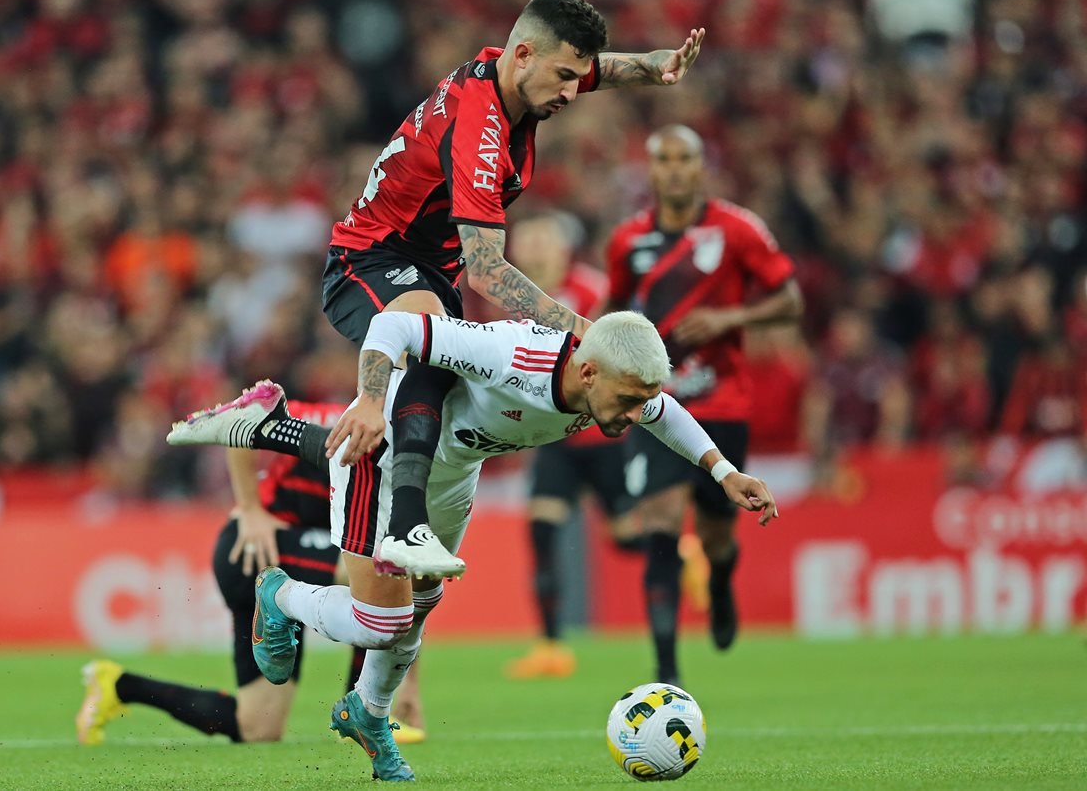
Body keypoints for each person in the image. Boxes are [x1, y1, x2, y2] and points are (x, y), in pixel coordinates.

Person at [167, 310, 778, 781]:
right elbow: (393, 324)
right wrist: (375, 399)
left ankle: (368, 714)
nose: (633, 414)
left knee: (420, 607)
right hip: (385, 463)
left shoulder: (616, 387)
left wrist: (725, 474)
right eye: (626, 400)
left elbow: (666, 411)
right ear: (588, 372)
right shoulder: (514, 354)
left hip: (454, 474)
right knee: (382, 622)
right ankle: (281, 595)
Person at [314, 0, 707, 580]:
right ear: (523, 55)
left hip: (426, 268)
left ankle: (290, 433)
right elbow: (488, 270)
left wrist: (657, 68)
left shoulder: (525, 76)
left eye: (578, 77)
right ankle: (402, 527)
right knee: (429, 349)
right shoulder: (480, 130)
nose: (573, 91)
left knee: (430, 391)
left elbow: (596, 68)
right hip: (369, 260)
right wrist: (582, 330)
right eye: (565, 77)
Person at [75, 401, 426, 745]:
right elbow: (241, 426)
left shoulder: (411, 457)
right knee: (373, 577)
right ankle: (370, 712)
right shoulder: (339, 420)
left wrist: (408, 682)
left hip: (281, 563)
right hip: (256, 548)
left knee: (258, 727)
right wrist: (250, 508)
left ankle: (118, 685)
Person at [605, 125, 804, 683]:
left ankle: (718, 582)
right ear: (651, 170)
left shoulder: (737, 230)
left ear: (700, 168)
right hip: (653, 403)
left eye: (684, 159)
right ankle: (667, 671)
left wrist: (730, 318)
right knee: (661, 522)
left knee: (718, 536)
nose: (673, 169)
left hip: (722, 404)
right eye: (663, 159)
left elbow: (791, 300)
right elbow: (612, 308)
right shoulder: (627, 242)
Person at [497, 210, 638, 680]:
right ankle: (552, 646)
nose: (533, 248)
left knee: (626, 537)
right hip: (556, 440)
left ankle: (680, 550)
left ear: (562, 247)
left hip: (602, 436)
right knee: (541, 532)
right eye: (527, 239)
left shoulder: (595, 293)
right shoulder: (518, 301)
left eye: (542, 238)